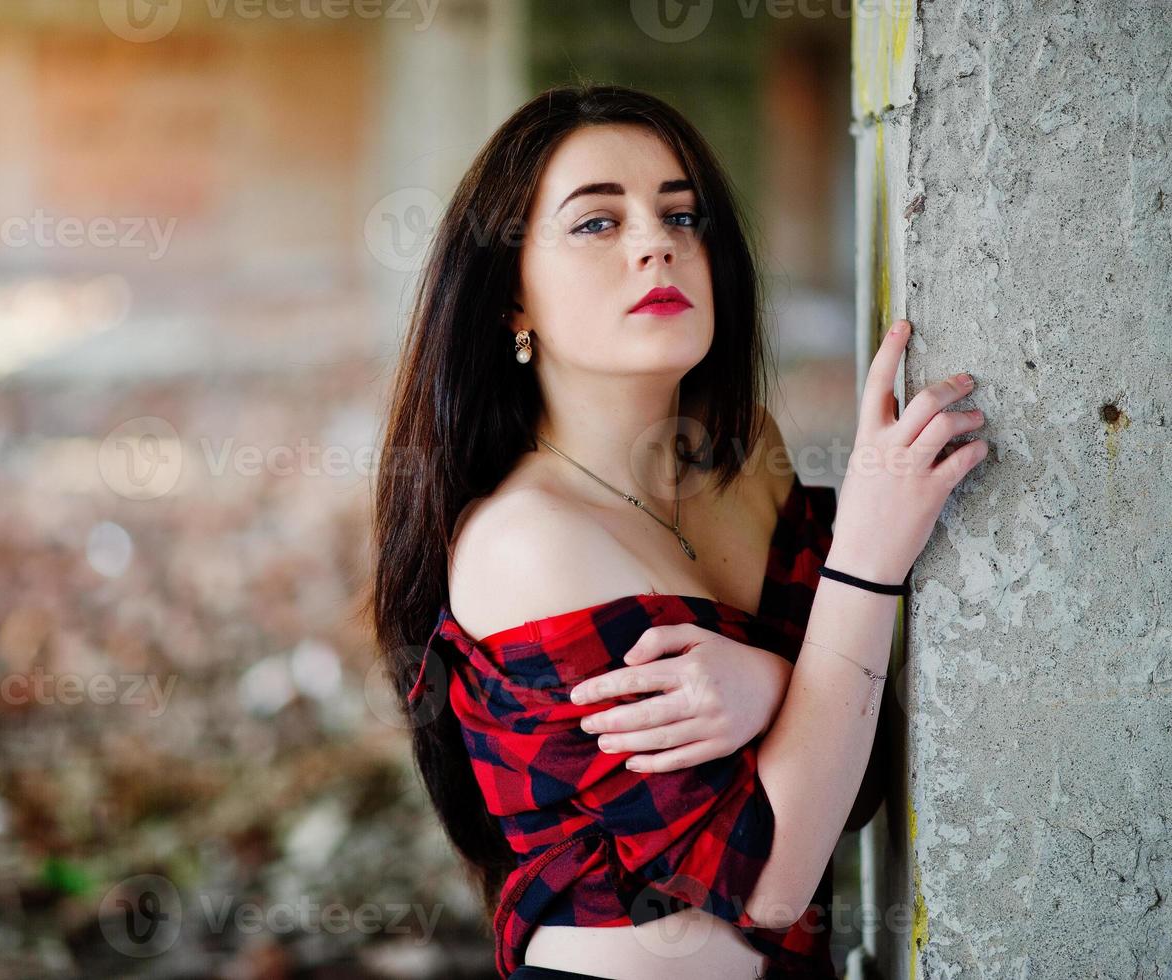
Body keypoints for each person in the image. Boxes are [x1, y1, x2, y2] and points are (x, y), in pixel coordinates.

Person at [368, 82, 988, 979]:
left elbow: (852, 770)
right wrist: (865, 558)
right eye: (596, 223)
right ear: (512, 303)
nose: (657, 243)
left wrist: (777, 685)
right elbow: (770, 880)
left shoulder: (743, 460)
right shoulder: (527, 542)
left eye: (681, 215)